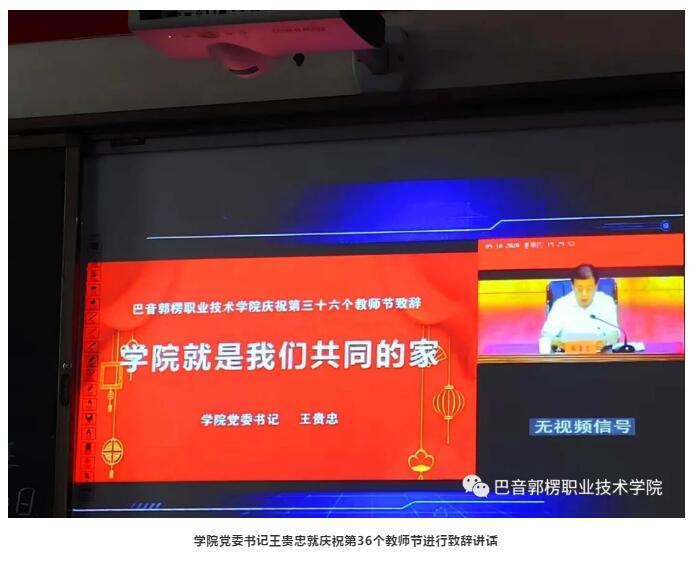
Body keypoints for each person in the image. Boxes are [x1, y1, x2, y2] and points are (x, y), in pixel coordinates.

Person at [539, 264, 619, 353]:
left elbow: (614, 334)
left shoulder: (606, 302)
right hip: (567, 356)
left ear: (596, 286)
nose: (584, 294)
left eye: (589, 289)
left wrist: (605, 341)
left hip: (599, 355)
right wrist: (558, 342)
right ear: (572, 286)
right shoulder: (561, 304)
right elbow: (546, 334)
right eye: (580, 289)